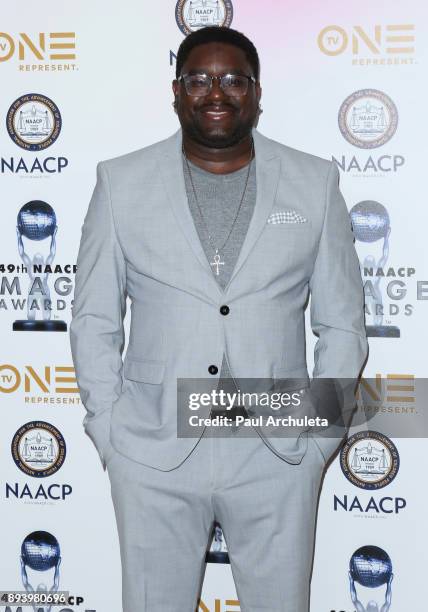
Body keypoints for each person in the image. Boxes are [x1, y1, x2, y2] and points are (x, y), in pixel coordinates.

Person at [70, 26, 368, 612]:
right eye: (200, 79)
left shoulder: (314, 182)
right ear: (176, 91)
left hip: (278, 451)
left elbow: (342, 326)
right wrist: (111, 432)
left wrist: (318, 442)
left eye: (233, 79)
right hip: (153, 449)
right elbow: (93, 318)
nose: (216, 93)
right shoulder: (120, 181)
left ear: (257, 92)